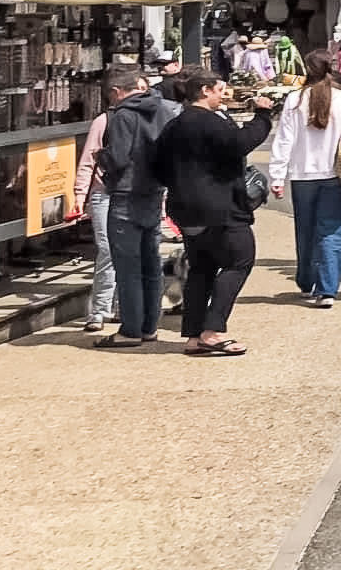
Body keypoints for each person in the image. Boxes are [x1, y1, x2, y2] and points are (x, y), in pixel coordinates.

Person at [152, 70, 274, 355]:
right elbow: (240, 144)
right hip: (220, 208)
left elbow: (156, 165)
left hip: (185, 208)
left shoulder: (175, 125)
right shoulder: (208, 122)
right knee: (239, 260)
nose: (224, 95)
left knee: (202, 268)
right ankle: (213, 330)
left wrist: (181, 183)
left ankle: (194, 335)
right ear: (205, 91)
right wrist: (262, 116)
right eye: (220, 90)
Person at [268, 49, 341, 307]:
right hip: (334, 172)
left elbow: (284, 139)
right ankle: (327, 289)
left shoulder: (295, 99)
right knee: (331, 230)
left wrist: (277, 175)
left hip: (302, 174)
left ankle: (306, 280)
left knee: (305, 229)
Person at [94, 65, 181, 347]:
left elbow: (118, 157)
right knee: (151, 262)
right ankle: (149, 326)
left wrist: (101, 157)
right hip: (154, 192)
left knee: (128, 266)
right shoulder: (163, 110)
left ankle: (130, 329)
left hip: (126, 193)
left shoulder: (123, 115)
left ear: (116, 91)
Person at [74, 74, 141, 333]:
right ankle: (101, 310)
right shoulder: (104, 121)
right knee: (108, 250)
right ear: (116, 93)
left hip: (135, 192)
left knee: (130, 252)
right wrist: (80, 195)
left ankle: (123, 305)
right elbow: (88, 160)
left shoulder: (146, 119)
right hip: (105, 192)